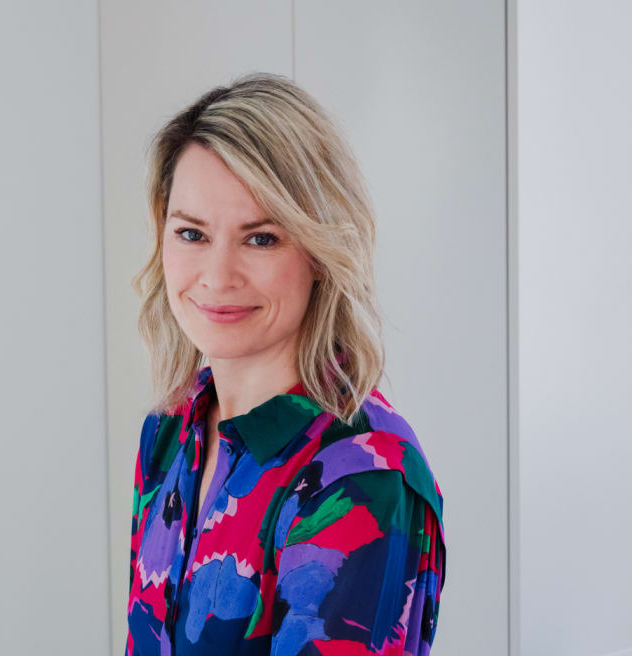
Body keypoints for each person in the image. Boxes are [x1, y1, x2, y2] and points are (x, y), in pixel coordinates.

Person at [126, 72, 446, 656]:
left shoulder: (362, 476)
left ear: (321, 251)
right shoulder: (170, 432)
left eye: (261, 239)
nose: (217, 277)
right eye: (192, 233)